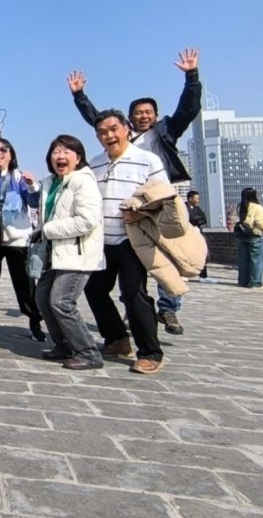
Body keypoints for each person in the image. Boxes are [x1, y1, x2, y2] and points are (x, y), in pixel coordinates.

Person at [68, 47, 202, 336]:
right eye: (138, 113)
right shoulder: (110, 146)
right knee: (125, 282)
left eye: (149, 113)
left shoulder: (164, 133)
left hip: (157, 202)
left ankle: (167, 308)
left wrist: (192, 77)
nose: (144, 117)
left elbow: (188, 110)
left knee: (166, 257)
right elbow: (98, 119)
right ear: (129, 121)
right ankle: (134, 315)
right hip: (122, 214)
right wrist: (79, 96)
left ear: (155, 116)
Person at [83, 110, 169, 374]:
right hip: (101, 241)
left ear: (126, 129)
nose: (108, 135)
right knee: (94, 291)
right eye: (102, 132)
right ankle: (117, 339)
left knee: (134, 294)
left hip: (132, 239)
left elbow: (164, 195)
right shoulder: (95, 164)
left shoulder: (147, 160)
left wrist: (141, 209)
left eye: (113, 129)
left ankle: (150, 352)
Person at [25, 135, 104, 370]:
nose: (60, 156)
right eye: (56, 152)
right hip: (54, 252)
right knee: (42, 298)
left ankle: (88, 352)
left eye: (67, 151)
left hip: (77, 253)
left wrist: (48, 230)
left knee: (61, 301)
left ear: (78, 157)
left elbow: (87, 221)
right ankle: (64, 345)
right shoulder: (51, 183)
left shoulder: (83, 182)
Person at [0, 137, 44, 341]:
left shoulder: (18, 177)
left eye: (3, 149)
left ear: (11, 155)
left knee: (25, 284)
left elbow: (32, 202)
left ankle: (34, 321)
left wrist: (32, 186)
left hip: (16, 239)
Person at [233, 187, 263, 289]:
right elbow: (262, 223)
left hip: (241, 236)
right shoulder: (257, 207)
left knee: (243, 259)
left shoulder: (239, 207)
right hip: (254, 235)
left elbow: (233, 220)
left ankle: (243, 281)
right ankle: (255, 283)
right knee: (256, 260)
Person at [185, 190, 211, 281]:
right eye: (196, 198)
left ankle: (203, 275)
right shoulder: (184, 207)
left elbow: (204, 219)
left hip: (198, 232)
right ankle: (184, 274)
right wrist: (196, 219)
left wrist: (196, 220)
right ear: (190, 198)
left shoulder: (197, 208)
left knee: (203, 253)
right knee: (186, 254)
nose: (198, 200)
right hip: (187, 234)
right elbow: (188, 218)